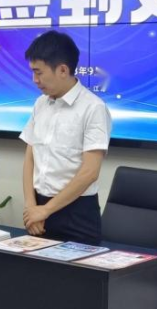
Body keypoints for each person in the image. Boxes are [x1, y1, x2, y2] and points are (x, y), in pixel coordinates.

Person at [19, 31, 111, 245]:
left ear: (62, 70)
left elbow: (90, 172)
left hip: (76, 214)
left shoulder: (93, 107)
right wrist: (32, 207)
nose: (35, 80)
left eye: (39, 72)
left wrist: (46, 210)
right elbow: (30, 157)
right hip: (39, 212)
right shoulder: (40, 104)